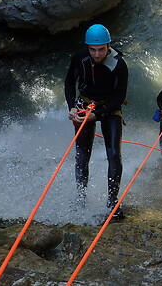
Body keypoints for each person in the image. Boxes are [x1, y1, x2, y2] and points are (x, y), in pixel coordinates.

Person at [64, 24, 128, 217]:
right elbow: (69, 82)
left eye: (101, 49)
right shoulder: (79, 58)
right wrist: (72, 107)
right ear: (87, 47)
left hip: (109, 107)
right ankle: (81, 197)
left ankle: (112, 201)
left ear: (109, 46)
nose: (97, 54)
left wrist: (98, 115)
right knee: (82, 155)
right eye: (92, 49)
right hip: (84, 103)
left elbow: (120, 96)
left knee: (114, 154)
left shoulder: (118, 64)